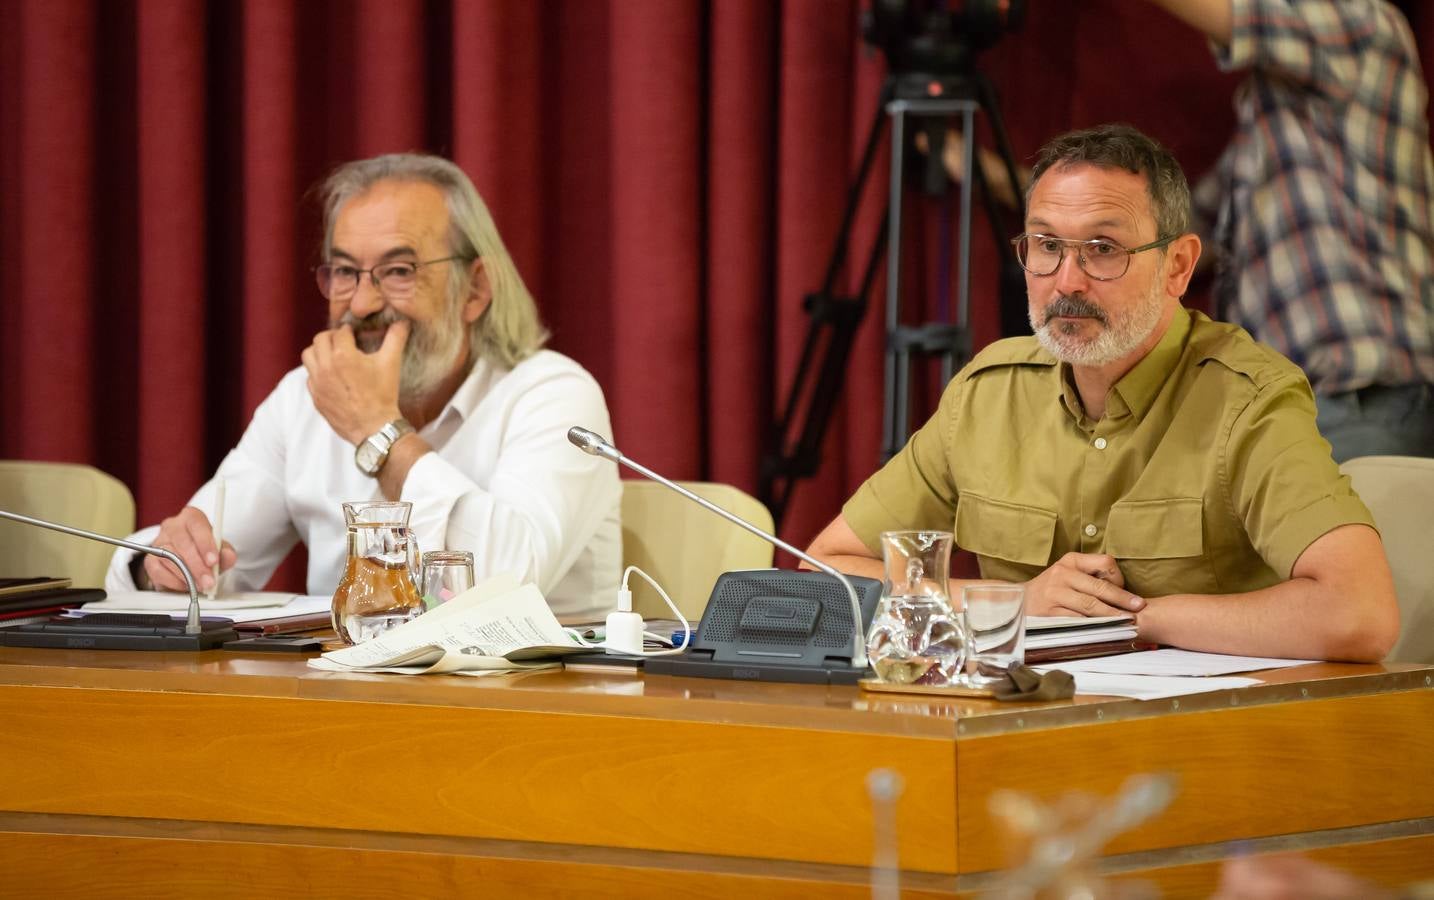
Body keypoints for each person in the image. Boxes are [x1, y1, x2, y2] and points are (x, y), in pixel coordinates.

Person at [806, 124, 1400, 662]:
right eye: (1046, 245)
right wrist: (1013, 604)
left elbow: (1359, 612)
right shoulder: (986, 394)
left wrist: (1138, 621)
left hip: (1203, 745)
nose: (1067, 282)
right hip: (1011, 732)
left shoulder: (1247, 399)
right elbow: (830, 567)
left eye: (1103, 250)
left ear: (1177, 267)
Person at [105, 153, 621, 621]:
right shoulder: (303, 399)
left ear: (475, 289)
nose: (362, 304)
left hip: (529, 707)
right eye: (346, 273)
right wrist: (166, 566)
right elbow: (200, 558)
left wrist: (377, 431)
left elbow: (505, 587)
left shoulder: (555, 396)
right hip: (346, 705)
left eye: (398, 271)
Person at [1149, 0, 1434, 462]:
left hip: (1363, 395)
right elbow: (1158, 238)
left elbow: (1237, 15)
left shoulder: (1365, 25)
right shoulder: (1261, 134)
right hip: (1286, 414)